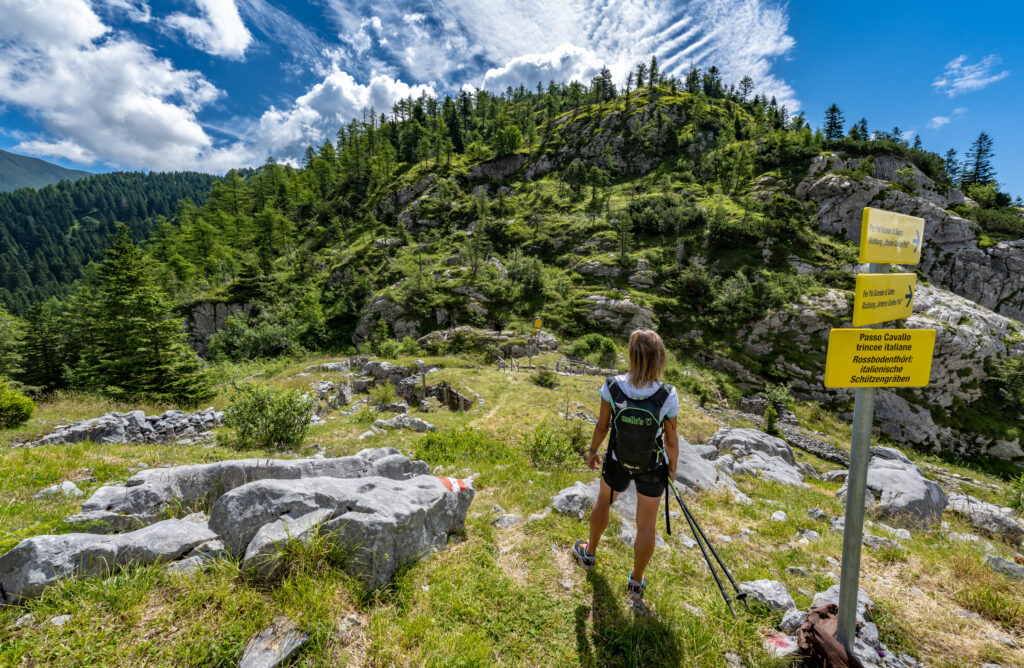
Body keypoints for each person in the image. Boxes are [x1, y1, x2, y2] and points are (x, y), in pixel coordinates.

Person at [571, 328, 679, 603]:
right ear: (659, 358)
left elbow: (602, 425)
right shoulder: (667, 394)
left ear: (632, 355)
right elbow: (671, 440)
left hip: (618, 459)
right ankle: (636, 580)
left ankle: (589, 553)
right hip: (651, 466)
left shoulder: (613, 385)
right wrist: (672, 469)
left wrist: (593, 450)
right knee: (646, 526)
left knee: (604, 501)